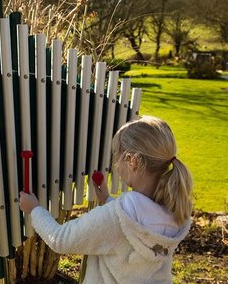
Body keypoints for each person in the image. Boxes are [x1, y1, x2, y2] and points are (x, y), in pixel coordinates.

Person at [19, 116, 193, 284]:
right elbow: (128, 229)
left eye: (116, 154)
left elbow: (60, 239)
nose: (115, 164)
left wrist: (34, 209)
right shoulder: (172, 213)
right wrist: (108, 200)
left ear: (132, 161)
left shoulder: (116, 217)